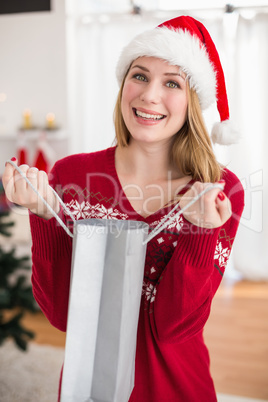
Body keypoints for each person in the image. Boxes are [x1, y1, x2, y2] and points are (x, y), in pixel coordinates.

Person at [3, 15, 244, 402]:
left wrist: (201, 232)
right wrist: (44, 215)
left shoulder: (219, 191)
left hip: (175, 387)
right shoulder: (71, 175)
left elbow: (172, 327)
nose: (149, 95)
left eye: (171, 83)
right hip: (87, 386)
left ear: (193, 101)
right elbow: (62, 316)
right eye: (140, 76)